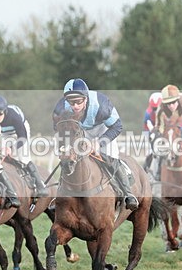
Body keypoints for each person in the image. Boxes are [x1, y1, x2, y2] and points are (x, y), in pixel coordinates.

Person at [52, 78, 139, 210]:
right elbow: (58, 127)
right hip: (78, 131)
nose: (75, 106)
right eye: (71, 102)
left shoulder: (102, 106)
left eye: (78, 101)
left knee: (111, 158)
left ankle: (128, 194)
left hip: (103, 129)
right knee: (68, 157)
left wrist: (99, 143)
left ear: (86, 99)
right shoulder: (61, 108)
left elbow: (117, 126)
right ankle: (60, 195)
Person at [0, 95, 48, 197]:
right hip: (4, 134)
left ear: (5, 111)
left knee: (23, 157)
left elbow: (22, 137)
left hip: (19, 132)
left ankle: (40, 185)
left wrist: (11, 149)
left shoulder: (14, 117)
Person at [142, 92, 163, 180]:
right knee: (151, 151)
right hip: (149, 131)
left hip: (160, 130)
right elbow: (150, 126)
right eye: (154, 108)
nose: (155, 110)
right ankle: (144, 170)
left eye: (156, 108)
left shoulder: (166, 111)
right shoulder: (148, 113)